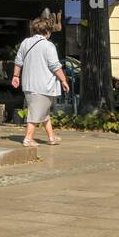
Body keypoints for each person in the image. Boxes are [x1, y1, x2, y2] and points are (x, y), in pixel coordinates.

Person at [12, 17, 69, 146]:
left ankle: (51, 137)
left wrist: (16, 76)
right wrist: (64, 80)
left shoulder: (25, 42)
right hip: (44, 85)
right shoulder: (48, 45)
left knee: (43, 112)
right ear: (48, 31)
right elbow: (55, 65)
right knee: (36, 113)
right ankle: (28, 139)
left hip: (28, 84)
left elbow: (18, 61)